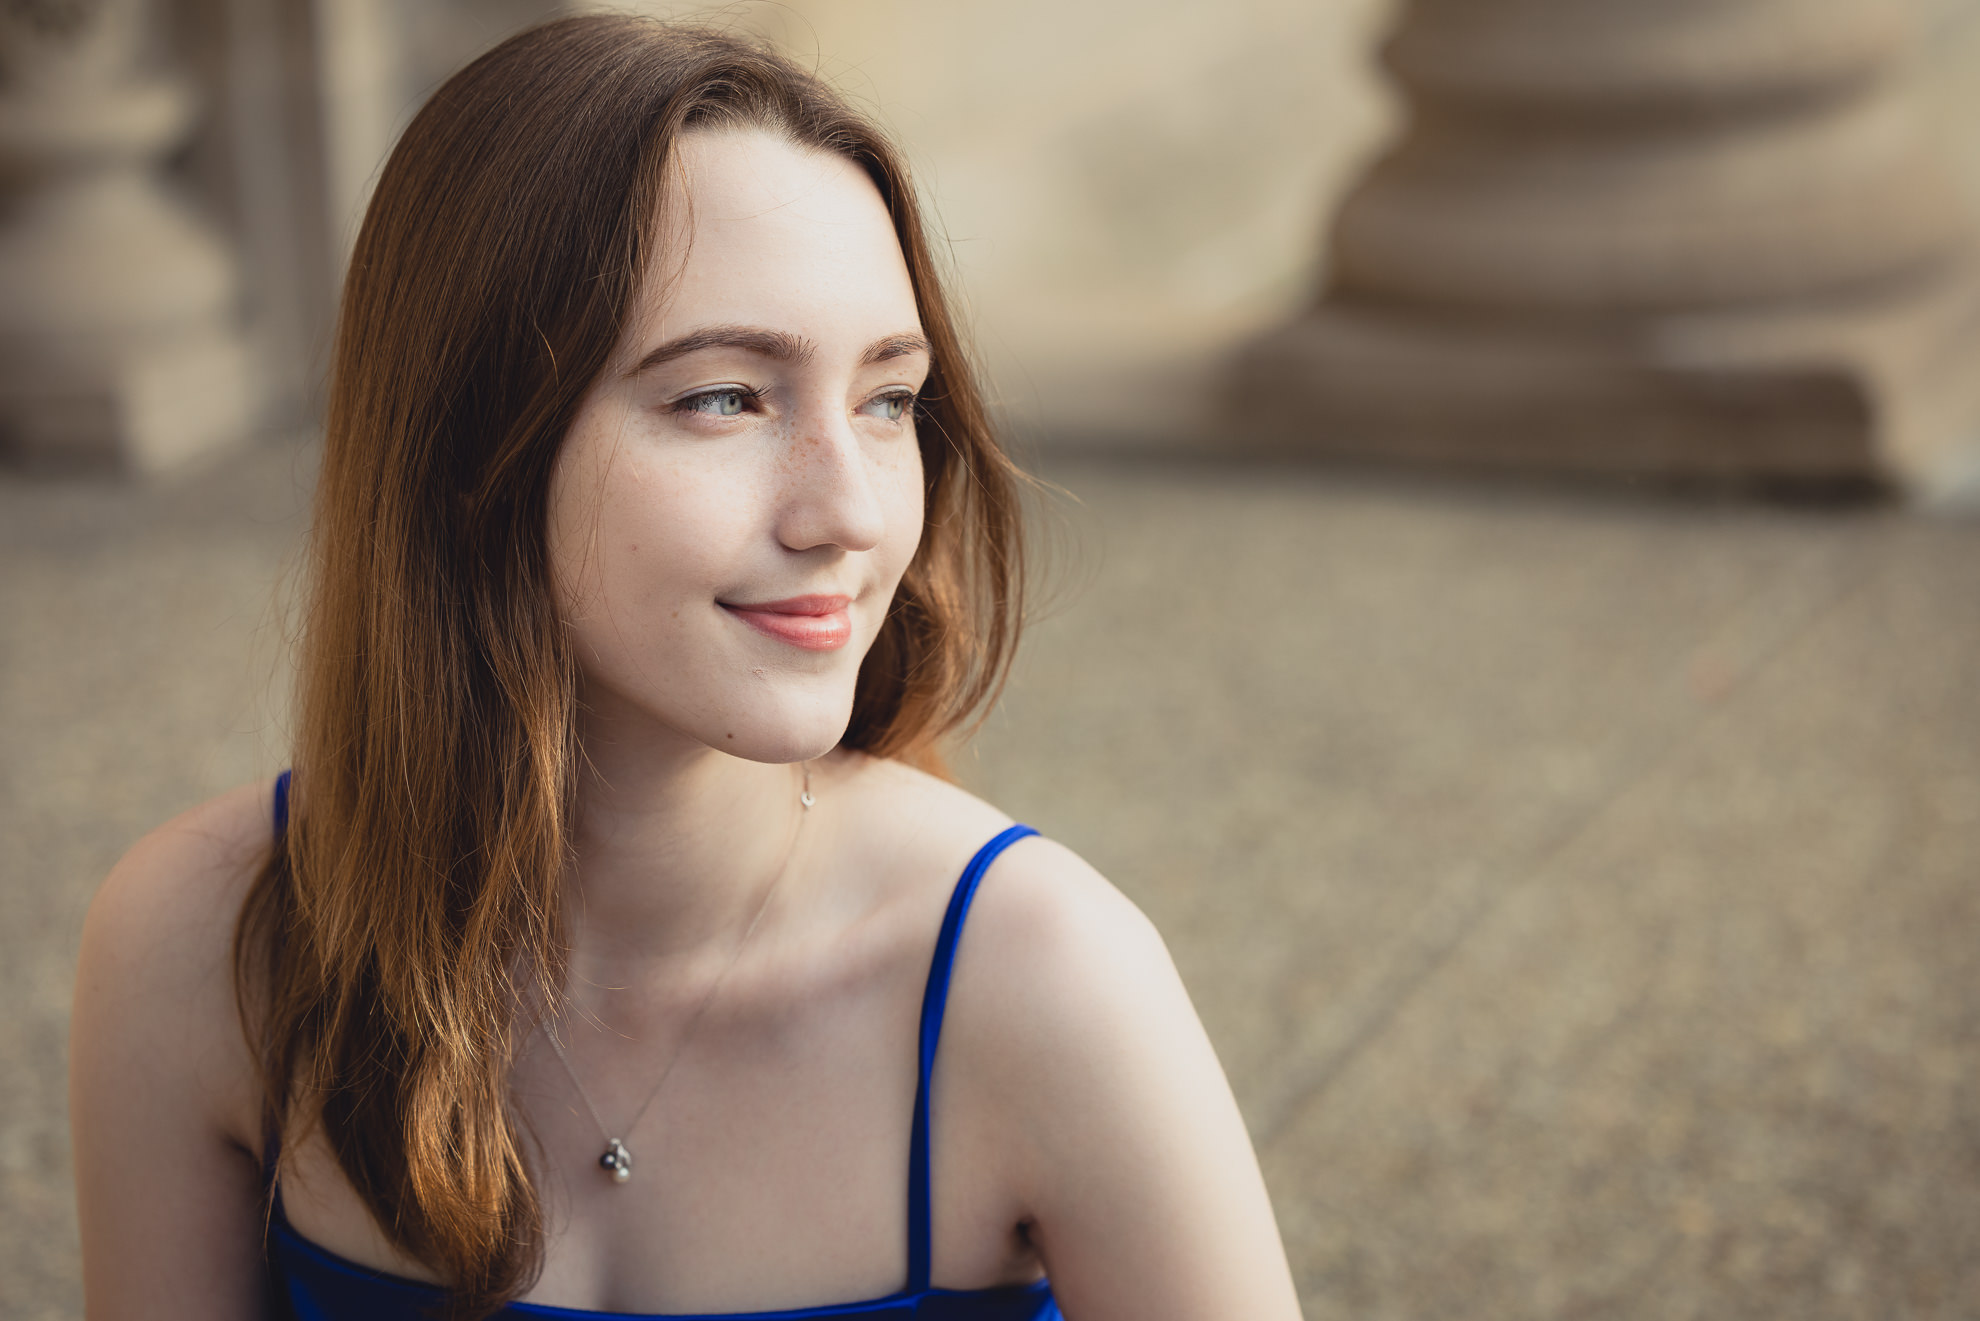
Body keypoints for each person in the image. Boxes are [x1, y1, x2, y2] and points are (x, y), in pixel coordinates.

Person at [68, 16, 1303, 1321]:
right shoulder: (201, 949)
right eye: (727, 396)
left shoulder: (1046, 980)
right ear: (471, 444)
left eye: (888, 398)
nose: (852, 512)